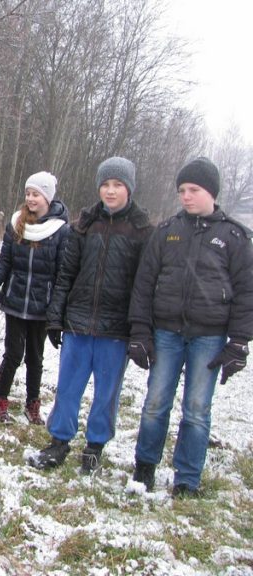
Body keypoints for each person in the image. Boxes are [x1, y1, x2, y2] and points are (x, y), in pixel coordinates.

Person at [128, 157, 253, 497]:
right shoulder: (167, 231)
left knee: (197, 409)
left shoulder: (234, 237)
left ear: (211, 192)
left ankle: (187, 479)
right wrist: (139, 331)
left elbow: (246, 293)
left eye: (193, 190)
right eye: (182, 190)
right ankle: (144, 467)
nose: (186, 196)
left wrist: (239, 343)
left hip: (210, 338)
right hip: (166, 334)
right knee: (155, 402)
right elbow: (144, 283)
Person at [29, 156, 153, 473]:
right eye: (105, 184)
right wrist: (56, 318)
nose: (110, 191)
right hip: (78, 323)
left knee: (106, 394)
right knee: (68, 387)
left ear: (129, 188)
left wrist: (139, 329)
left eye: (117, 185)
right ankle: (59, 442)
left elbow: (144, 285)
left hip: (115, 329)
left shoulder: (142, 230)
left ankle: (95, 447)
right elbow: (65, 275)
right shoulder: (83, 225)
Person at [0, 171, 70, 425]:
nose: (31, 199)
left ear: (48, 198)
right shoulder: (16, 224)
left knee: (35, 357)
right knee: (13, 354)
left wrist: (59, 307)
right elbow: (4, 262)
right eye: (28, 194)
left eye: (36, 194)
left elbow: (63, 273)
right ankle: (0, 402)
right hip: (15, 302)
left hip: (42, 306)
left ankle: (33, 404)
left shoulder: (61, 231)